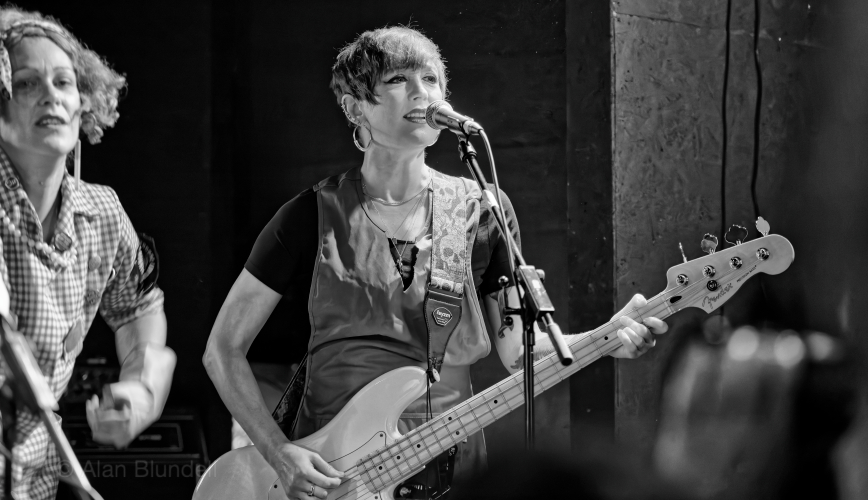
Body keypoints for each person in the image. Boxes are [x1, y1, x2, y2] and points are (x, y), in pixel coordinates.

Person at [203, 26, 667, 500]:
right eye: (398, 79)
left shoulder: (480, 209)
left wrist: (606, 337)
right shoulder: (310, 215)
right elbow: (222, 349)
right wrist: (279, 451)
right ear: (355, 107)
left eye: (430, 79)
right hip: (333, 474)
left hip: (450, 464)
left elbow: (518, 353)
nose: (421, 92)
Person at [0, 8, 176, 498]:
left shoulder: (102, 212)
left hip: (35, 478)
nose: (51, 96)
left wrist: (141, 389)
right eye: (26, 83)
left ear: (85, 103)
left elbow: (138, 308)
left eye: (64, 82)